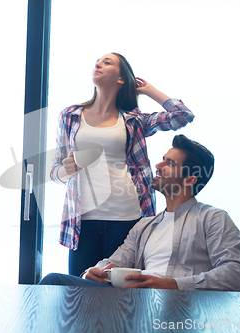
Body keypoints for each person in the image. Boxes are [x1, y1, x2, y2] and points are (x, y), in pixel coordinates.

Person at [41, 134, 240, 291]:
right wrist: (93, 272)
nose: (158, 165)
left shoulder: (213, 218)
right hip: (135, 303)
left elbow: (238, 275)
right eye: (162, 159)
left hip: (182, 305)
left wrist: (172, 285)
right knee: (56, 286)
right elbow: (116, 261)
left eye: (169, 163)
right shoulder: (145, 225)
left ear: (190, 179)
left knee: (53, 282)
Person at [50, 52, 194, 276]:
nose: (99, 63)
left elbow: (181, 115)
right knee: (79, 294)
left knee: (122, 296)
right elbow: (54, 172)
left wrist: (148, 89)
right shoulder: (70, 116)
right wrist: (64, 171)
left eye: (107, 62)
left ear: (121, 79)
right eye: (98, 61)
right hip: (83, 220)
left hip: (126, 218)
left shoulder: (133, 119)